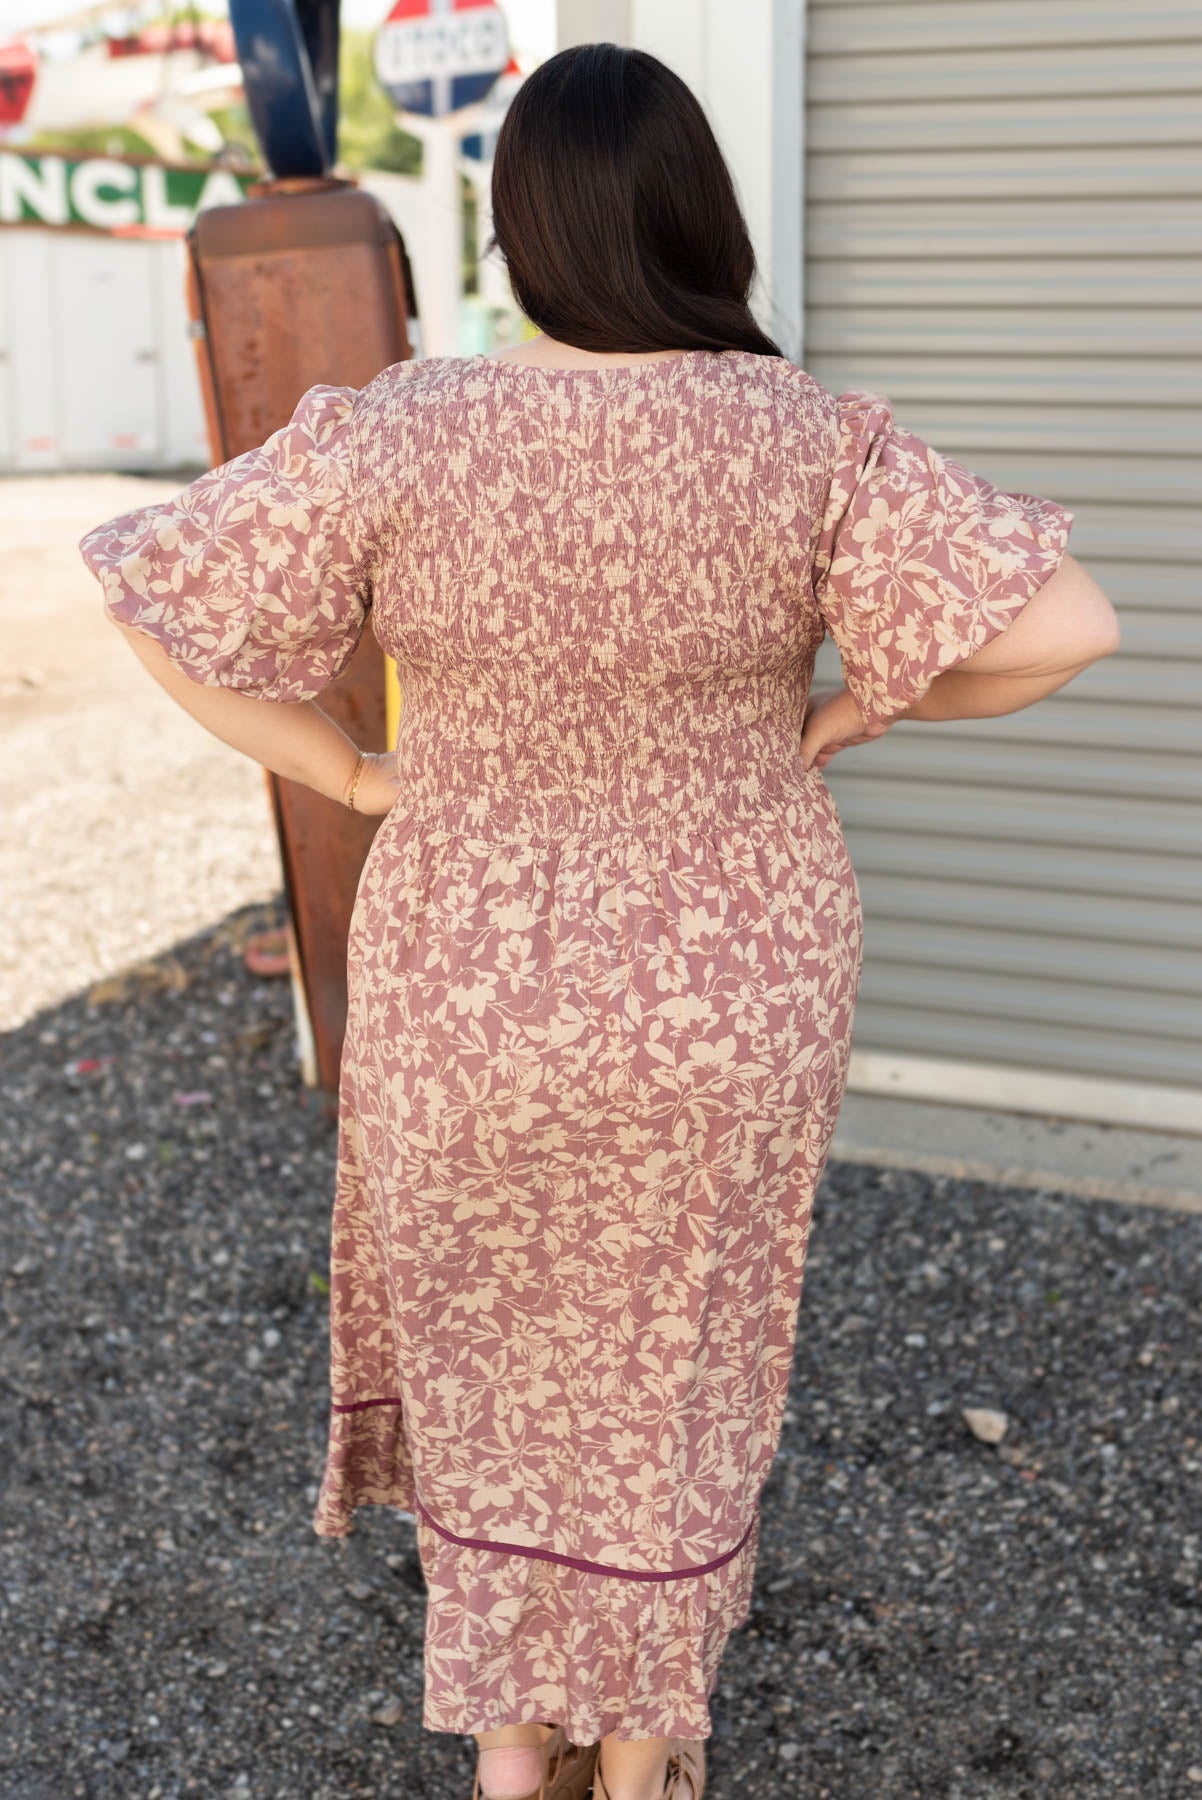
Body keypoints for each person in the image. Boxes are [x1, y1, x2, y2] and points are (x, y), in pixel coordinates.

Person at [77, 40, 1120, 1800]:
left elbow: (151, 585)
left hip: (468, 967)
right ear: (700, 221)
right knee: (680, 1365)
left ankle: (512, 1751)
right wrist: (862, 708)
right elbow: (1064, 627)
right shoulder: (809, 432)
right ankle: (642, 1757)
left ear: (518, 232)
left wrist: (343, 772)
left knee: (497, 1361)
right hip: (731, 973)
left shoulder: (405, 423)